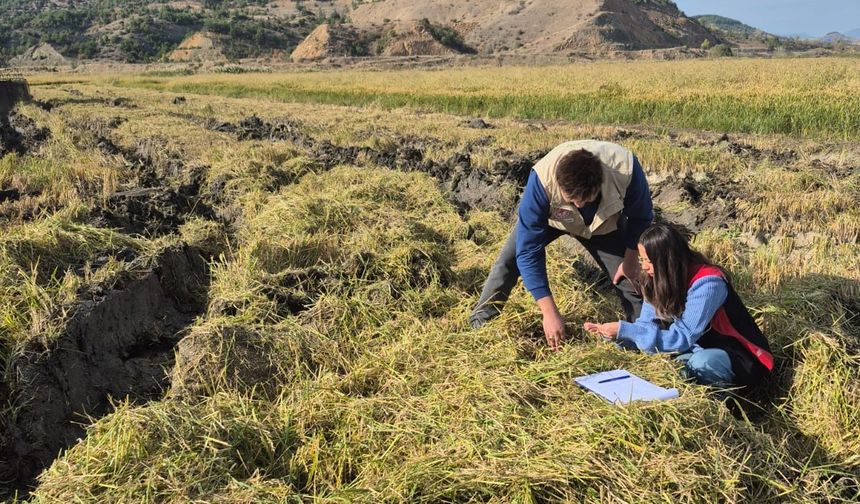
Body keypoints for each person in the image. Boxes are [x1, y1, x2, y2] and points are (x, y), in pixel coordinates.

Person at [470, 140, 654, 350]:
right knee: (508, 261)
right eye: (573, 200)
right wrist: (549, 312)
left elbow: (641, 217)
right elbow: (529, 252)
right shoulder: (541, 181)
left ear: (598, 184)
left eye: (585, 200)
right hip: (553, 220)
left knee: (628, 277)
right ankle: (481, 322)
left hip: (602, 225)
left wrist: (630, 259)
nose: (579, 205)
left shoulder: (626, 169)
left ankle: (643, 335)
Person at [584, 223, 773, 387]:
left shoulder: (708, 283)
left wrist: (626, 330)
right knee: (669, 371)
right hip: (695, 349)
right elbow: (646, 326)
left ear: (668, 261)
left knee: (700, 365)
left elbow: (682, 337)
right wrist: (617, 336)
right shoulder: (657, 279)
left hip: (738, 356)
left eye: (649, 261)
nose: (644, 266)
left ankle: (726, 410)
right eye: (642, 260)